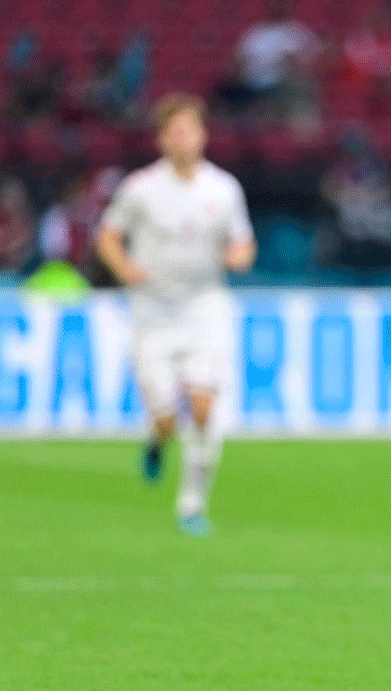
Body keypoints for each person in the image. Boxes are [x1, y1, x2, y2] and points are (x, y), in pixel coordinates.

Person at [96, 93, 256, 536]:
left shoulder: (223, 188)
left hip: (205, 307)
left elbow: (243, 241)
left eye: (190, 129)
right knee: (167, 418)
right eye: (175, 131)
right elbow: (107, 235)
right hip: (153, 312)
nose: (183, 138)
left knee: (204, 407)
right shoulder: (140, 188)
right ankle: (157, 439)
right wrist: (124, 267)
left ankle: (192, 504)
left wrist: (239, 256)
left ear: (203, 135)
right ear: (162, 139)